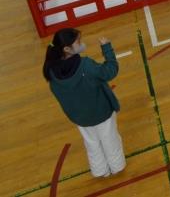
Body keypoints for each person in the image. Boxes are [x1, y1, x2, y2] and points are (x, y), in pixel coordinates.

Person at [44, 28, 125, 178]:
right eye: (78, 42)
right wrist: (107, 48)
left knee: (92, 143)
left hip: (80, 117)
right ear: (67, 49)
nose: (82, 43)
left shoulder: (52, 72)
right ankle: (117, 166)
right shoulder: (85, 65)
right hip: (101, 112)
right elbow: (110, 71)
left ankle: (100, 171)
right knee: (110, 140)